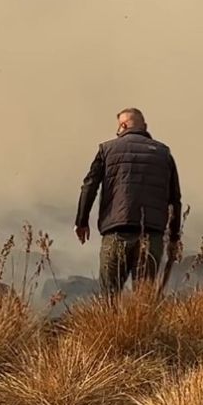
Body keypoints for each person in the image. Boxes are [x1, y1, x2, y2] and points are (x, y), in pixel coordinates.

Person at [75, 108, 182, 297]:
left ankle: (111, 327)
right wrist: (173, 238)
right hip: (152, 235)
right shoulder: (164, 154)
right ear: (145, 127)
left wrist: (82, 222)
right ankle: (142, 327)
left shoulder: (107, 150)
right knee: (144, 301)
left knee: (109, 297)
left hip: (116, 232)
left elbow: (89, 186)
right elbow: (175, 200)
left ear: (123, 126)